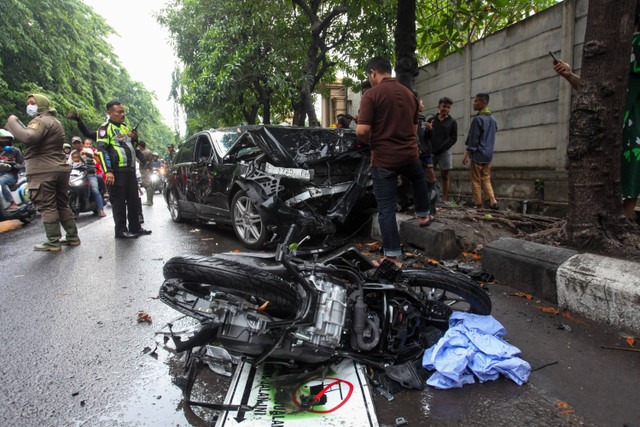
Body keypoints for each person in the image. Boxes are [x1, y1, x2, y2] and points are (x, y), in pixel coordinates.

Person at [355, 56, 431, 266]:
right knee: (418, 178)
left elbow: (362, 130)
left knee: (386, 209)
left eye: (368, 76)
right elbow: (415, 129)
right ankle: (424, 215)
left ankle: (391, 256)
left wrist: (370, 140)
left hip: (384, 159)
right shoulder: (410, 95)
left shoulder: (372, 94)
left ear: (373, 72)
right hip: (409, 154)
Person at [4, 94, 80, 250]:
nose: (29, 106)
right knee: (62, 204)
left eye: (33, 103)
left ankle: (53, 241)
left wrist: (12, 121)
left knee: (47, 206)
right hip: (58, 168)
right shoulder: (54, 121)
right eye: (28, 103)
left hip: (43, 170)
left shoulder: (40, 120)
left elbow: (28, 136)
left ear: (42, 105)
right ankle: (72, 236)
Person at [97, 100, 151, 238]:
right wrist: (108, 170)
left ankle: (135, 227)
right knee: (119, 202)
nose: (122, 114)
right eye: (119, 112)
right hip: (116, 171)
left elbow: (132, 147)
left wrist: (134, 138)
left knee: (133, 200)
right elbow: (102, 150)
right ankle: (121, 230)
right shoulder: (105, 128)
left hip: (130, 170)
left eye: (123, 112)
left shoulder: (124, 128)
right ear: (110, 113)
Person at [462, 93, 499, 210]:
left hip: (478, 154)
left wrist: (467, 154)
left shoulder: (478, 119)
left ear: (484, 103)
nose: (474, 104)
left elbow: (473, 139)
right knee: (486, 178)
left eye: (476, 101)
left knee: (476, 180)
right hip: (488, 154)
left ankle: (479, 205)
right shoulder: (493, 119)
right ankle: (492, 199)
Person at [425, 97, 458, 203]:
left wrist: (443, 147)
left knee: (445, 175)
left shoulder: (452, 122)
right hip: (431, 153)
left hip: (444, 152)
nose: (446, 109)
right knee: (429, 174)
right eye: (444, 106)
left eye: (448, 107)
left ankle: (444, 200)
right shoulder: (431, 120)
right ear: (439, 107)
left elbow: (454, 138)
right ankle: (429, 197)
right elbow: (424, 133)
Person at [69, 136, 106, 216]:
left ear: (81, 143)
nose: (77, 145)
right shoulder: (72, 153)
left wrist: (85, 153)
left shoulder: (87, 150)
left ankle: (101, 209)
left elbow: (92, 155)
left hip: (89, 174)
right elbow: (68, 163)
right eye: (75, 143)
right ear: (72, 144)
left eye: (78, 143)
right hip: (77, 175)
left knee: (95, 190)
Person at [0, 129, 24, 212]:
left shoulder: (15, 151)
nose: (4, 141)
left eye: (6, 139)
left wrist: (14, 164)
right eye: (2, 139)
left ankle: (13, 203)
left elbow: (21, 165)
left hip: (10, 175)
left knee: (1, 182)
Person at [137, 140, 154, 206]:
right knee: (149, 185)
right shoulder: (148, 151)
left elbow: (139, 160)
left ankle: (149, 200)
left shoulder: (145, 152)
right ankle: (150, 200)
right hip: (148, 170)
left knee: (146, 184)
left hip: (145, 170)